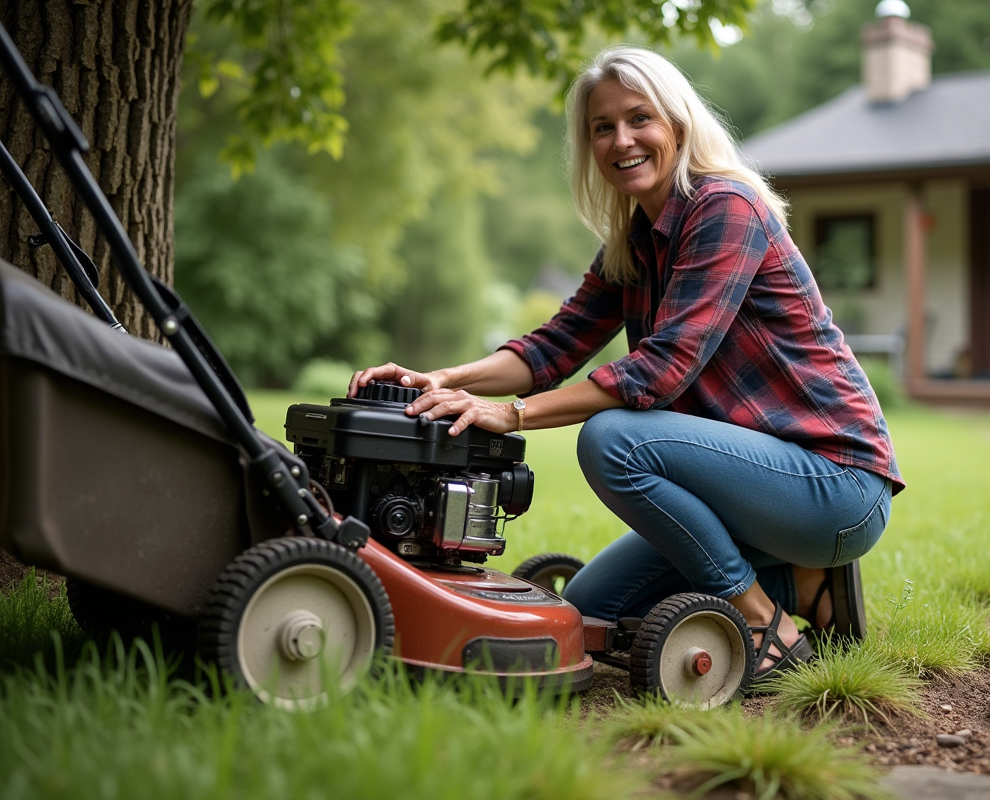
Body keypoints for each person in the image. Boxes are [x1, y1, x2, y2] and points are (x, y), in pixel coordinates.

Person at [349, 46, 904, 686]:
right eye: (602, 127)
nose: (622, 140)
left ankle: (762, 620)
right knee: (591, 609)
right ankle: (806, 588)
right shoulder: (633, 242)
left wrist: (511, 415)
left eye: (640, 118)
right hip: (748, 486)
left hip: (835, 484)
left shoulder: (726, 208)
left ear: (678, 125)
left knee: (613, 440)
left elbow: (661, 369)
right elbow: (552, 347)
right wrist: (444, 381)